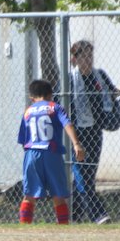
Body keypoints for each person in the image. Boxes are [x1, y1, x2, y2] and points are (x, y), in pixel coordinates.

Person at [68, 40, 120, 224]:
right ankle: (99, 215)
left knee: (87, 175)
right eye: (84, 55)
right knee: (82, 173)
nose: (89, 59)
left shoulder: (100, 75)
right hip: (77, 134)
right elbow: (60, 104)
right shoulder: (69, 79)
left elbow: (111, 93)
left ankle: (74, 217)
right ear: (75, 58)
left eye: (91, 55)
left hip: (95, 132)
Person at [17, 79, 85, 225]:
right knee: (58, 194)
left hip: (32, 153)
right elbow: (67, 124)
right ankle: (63, 226)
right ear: (50, 95)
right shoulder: (55, 107)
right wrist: (76, 144)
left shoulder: (28, 112)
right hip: (51, 153)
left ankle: (23, 227)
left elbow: (23, 140)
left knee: (29, 195)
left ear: (32, 98)